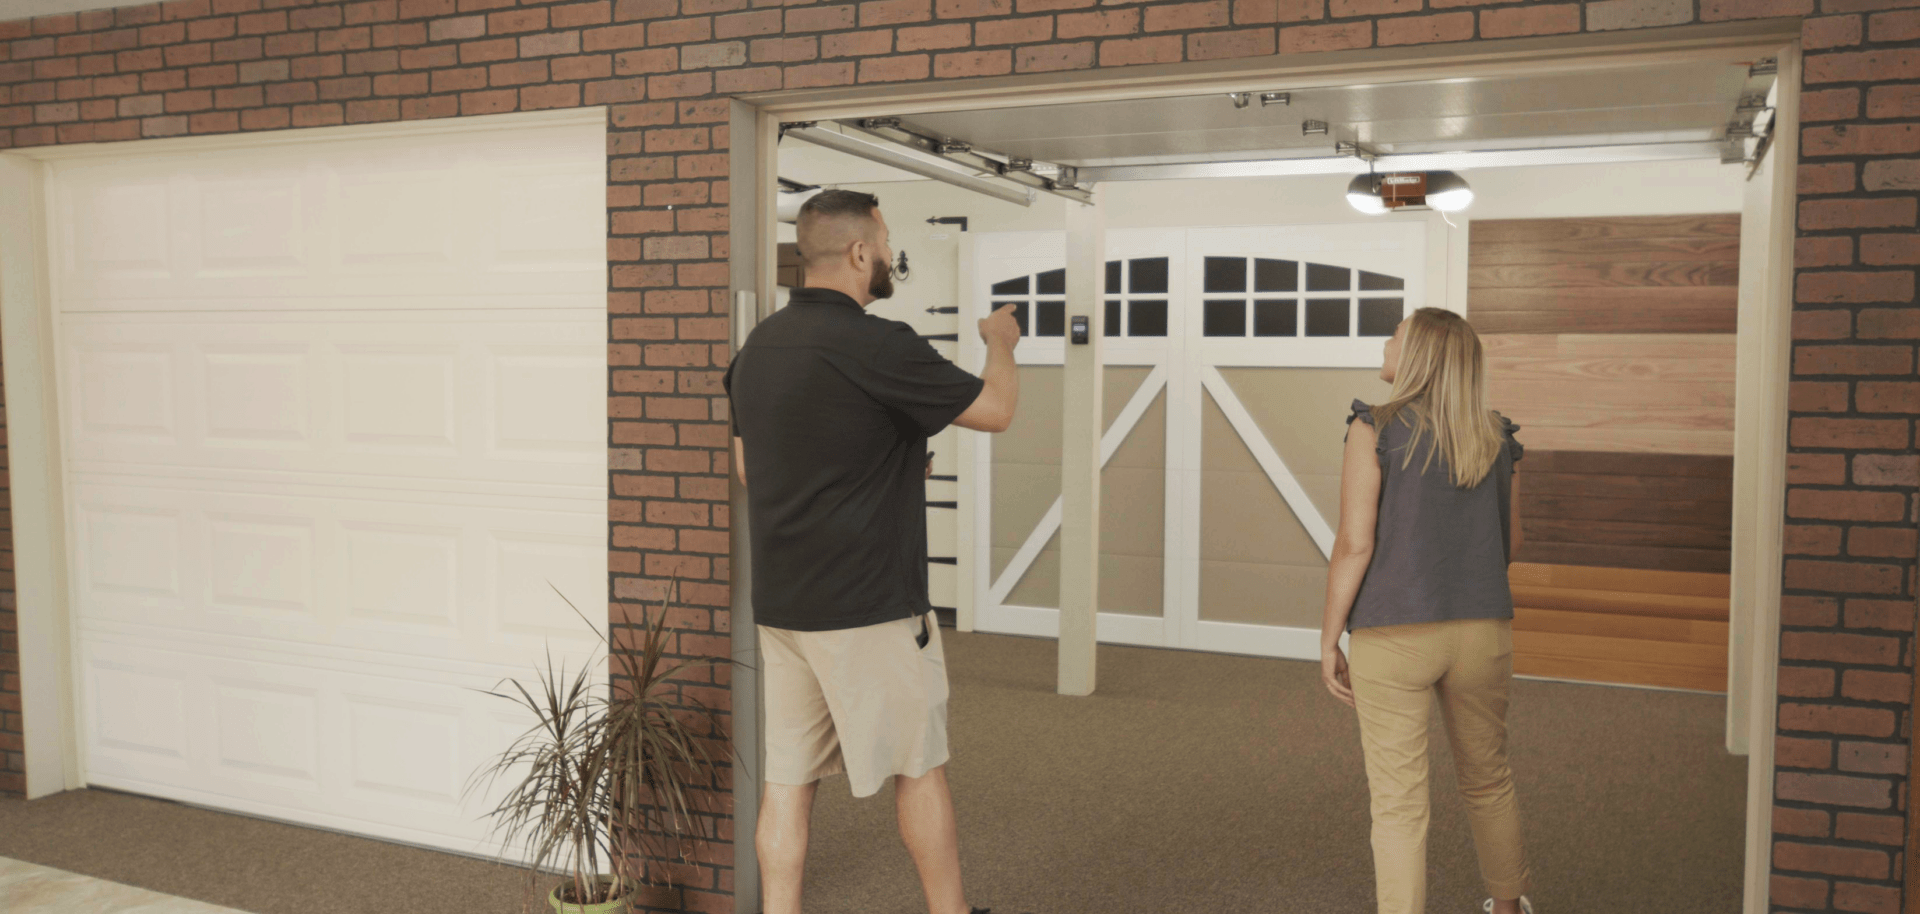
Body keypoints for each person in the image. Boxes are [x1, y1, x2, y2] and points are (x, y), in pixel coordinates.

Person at [723, 188, 1024, 914]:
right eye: (884, 243)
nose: (887, 257)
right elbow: (996, 411)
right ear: (860, 252)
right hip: (869, 607)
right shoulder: (879, 341)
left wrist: (880, 462)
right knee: (918, 767)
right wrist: (999, 345)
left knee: (787, 779)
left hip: (786, 607)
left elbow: (749, 469)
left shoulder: (758, 347)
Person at [1318, 307, 1536, 914]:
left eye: (1398, 335)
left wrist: (1329, 636)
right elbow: (1512, 540)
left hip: (1394, 633)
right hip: (1483, 632)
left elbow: (1353, 543)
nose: (1387, 342)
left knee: (1398, 800)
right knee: (1489, 778)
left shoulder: (1376, 428)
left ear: (1420, 357)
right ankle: (1510, 905)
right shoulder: (1496, 435)